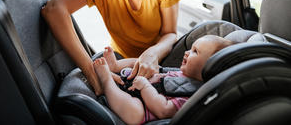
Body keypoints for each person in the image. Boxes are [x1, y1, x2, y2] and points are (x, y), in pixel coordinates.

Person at [41, 0, 182, 95]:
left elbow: (170, 34)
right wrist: (91, 73)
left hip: (162, 56)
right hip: (122, 59)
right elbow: (53, 9)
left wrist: (152, 54)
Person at [93, 35, 236, 124]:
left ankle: (106, 80)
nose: (186, 53)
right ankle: (115, 66)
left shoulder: (193, 96)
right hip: (137, 84)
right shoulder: (182, 73)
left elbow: (163, 110)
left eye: (195, 52)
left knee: (135, 114)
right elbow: (161, 74)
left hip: (144, 108)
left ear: (209, 68)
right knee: (143, 62)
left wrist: (145, 87)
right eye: (191, 48)